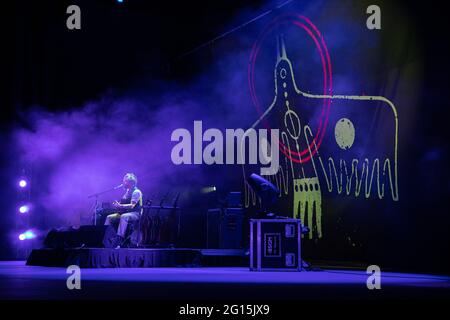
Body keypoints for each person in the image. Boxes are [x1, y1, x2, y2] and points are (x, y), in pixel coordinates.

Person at [105, 173, 143, 246]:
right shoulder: (127, 191)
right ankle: (106, 237)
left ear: (130, 182)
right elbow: (123, 203)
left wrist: (121, 205)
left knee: (124, 216)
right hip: (127, 212)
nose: (123, 183)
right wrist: (117, 205)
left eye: (125, 181)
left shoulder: (136, 192)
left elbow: (132, 206)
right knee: (109, 217)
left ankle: (119, 239)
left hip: (135, 213)